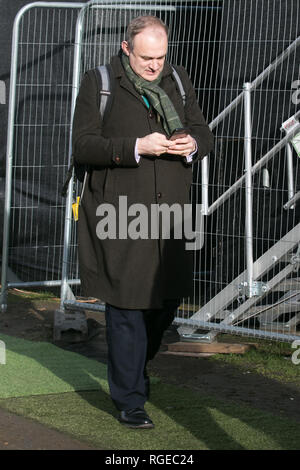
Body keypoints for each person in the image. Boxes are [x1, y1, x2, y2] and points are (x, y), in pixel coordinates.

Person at [72, 15, 214, 429]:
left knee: (166, 302)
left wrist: (192, 145)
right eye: (146, 58)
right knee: (127, 307)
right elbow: (83, 145)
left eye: (161, 57)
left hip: (170, 212)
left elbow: (204, 133)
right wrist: (136, 146)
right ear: (125, 49)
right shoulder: (98, 81)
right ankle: (130, 399)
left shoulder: (179, 78)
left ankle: (134, 371)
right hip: (119, 212)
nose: (155, 66)